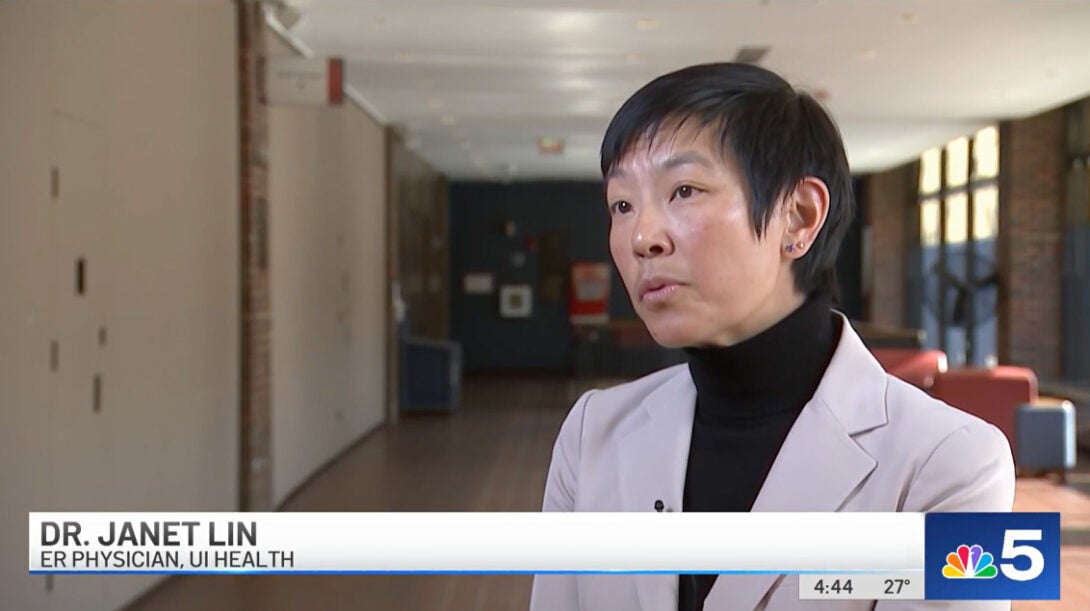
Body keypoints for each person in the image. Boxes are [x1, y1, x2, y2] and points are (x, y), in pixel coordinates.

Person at [529, 63, 1015, 611]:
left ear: (799, 217)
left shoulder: (956, 461)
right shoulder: (592, 432)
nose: (642, 237)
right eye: (622, 204)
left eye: (684, 190)